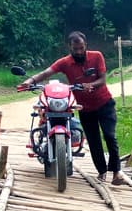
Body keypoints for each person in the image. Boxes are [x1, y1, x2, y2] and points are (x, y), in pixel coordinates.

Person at [23, 31, 123, 185]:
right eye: (75, 49)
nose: (78, 52)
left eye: (81, 48)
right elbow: (47, 72)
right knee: (93, 140)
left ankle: (116, 172)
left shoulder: (97, 56)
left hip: (104, 103)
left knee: (109, 135)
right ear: (69, 47)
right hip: (85, 108)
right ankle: (102, 171)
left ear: (85, 46)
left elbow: (102, 79)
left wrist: (91, 85)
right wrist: (30, 81)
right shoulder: (65, 62)